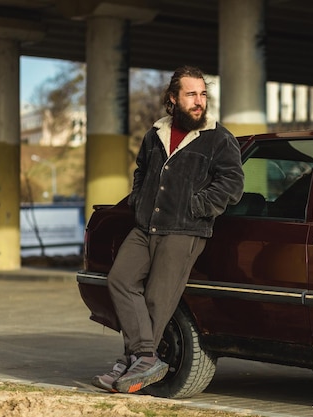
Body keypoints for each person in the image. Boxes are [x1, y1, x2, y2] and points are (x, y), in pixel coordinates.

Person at [92, 65, 244, 394]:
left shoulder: (219, 138)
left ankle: (134, 361)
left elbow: (232, 184)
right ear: (173, 98)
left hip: (184, 230)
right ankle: (143, 357)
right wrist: (138, 200)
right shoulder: (154, 134)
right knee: (120, 281)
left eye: (203, 94)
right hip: (147, 225)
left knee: (157, 300)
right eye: (191, 94)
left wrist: (197, 207)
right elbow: (142, 171)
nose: (199, 101)